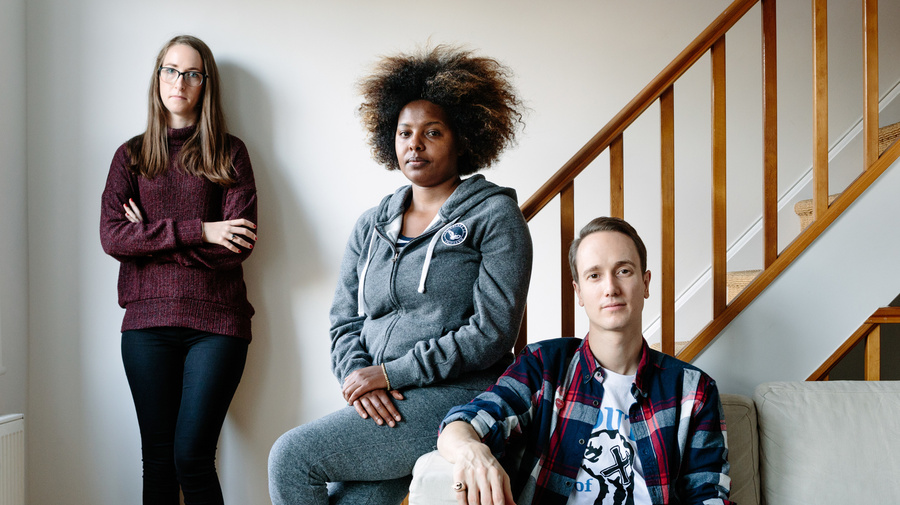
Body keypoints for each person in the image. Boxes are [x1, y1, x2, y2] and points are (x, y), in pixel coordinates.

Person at [267, 45, 533, 505]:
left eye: (433, 132)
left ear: (463, 139)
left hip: (457, 396)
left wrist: (392, 373)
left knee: (291, 457)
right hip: (385, 396)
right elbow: (344, 320)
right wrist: (360, 380)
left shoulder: (494, 217)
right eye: (405, 132)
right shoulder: (371, 225)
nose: (415, 144)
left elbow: (491, 333)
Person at [438, 217, 733, 505]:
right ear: (578, 292)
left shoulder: (694, 390)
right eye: (594, 275)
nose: (610, 288)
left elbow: (708, 494)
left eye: (624, 271)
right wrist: (471, 451)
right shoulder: (544, 365)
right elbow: (466, 422)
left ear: (645, 283)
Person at [99, 35, 258, 505]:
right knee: (158, 463)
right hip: (146, 325)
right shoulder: (131, 156)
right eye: (170, 70)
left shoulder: (230, 153)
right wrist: (202, 230)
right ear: (157, 77)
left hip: (217, 324)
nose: (179, 82)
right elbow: (113, 238)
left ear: (206, 83)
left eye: (191, 73)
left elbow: (237, 247)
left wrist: (149, 240)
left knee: (192, 457)